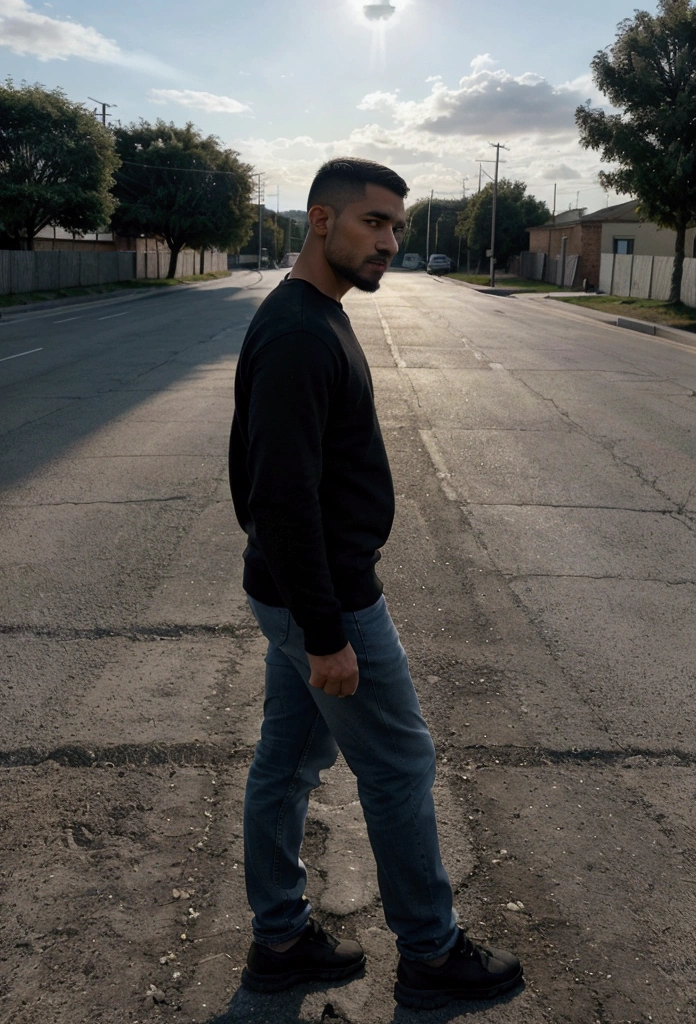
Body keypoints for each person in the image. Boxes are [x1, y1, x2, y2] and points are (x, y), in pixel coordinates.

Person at [228, 157, 523, 1010]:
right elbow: (278, 496)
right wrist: (326, 633)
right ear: (321, 220)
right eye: (374, 223)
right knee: (399, 765)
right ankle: (432, 954)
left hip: (298, 589)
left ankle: (280, 939)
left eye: (396, 225)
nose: (390, 241)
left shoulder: (314, 315)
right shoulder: (296, 332)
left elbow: (272, 484)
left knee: (287, 764)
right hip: (325, 597)